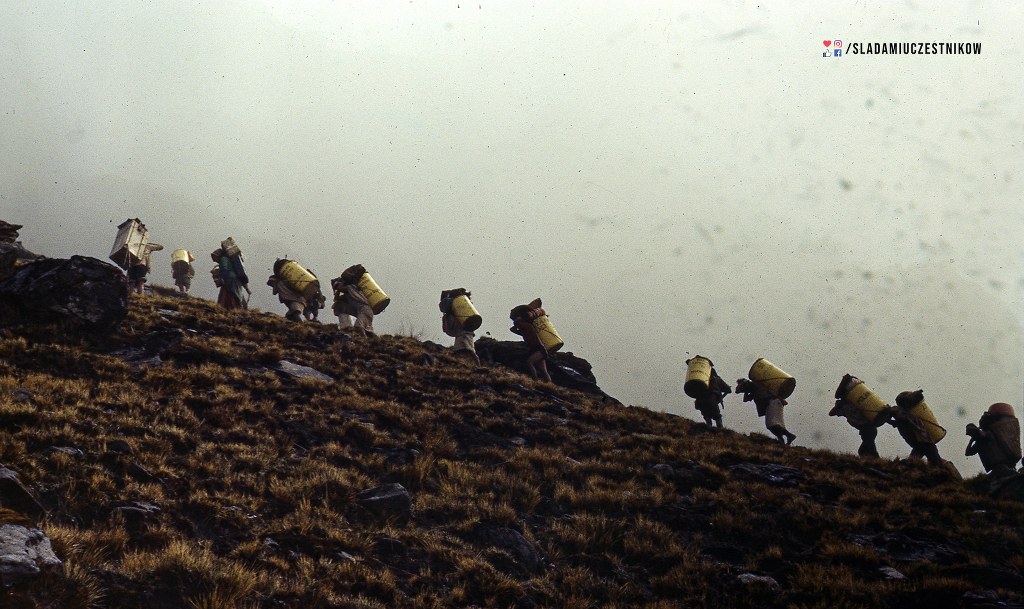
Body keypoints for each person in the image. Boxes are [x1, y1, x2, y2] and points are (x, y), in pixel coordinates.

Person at [830, 374, 888, 457]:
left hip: (867, 430)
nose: (838, 415)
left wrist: (840, 405)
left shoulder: (847, 408)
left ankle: (877, 460)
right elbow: (832, 413)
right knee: (864, 449)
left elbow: (831, 413)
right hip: (870, 429)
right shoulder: (851, 406)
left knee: (868, 448)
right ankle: (874, 460)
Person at [886, 390, 945, 467]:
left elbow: (898, 418)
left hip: (922, 443)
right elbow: (899, 420)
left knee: (917, 460)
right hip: (924, 442)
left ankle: (906, 467)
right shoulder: (907, 416)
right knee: (935, 462)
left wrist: (887, 416)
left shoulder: (906, 416)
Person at [966, 402, 1021, 478]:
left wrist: (975, 435)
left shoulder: (987, 434)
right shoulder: (979, 442)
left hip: (1001, 466)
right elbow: (968, 453)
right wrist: (971, 441)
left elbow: (981, 434)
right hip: (995, 468)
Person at [736, 377, 796, 445]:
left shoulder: (754, 384)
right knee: (772, 425)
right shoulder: (754, 389)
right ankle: (782, 440)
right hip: (774, 403)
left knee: (771, 424)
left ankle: (789, 436)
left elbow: (740, 389)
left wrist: (743, 386)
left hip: (773, 402)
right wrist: (746, 391)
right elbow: (745, 399)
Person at [509, 304, 551, 382]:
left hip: (539, 349)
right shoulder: (525, 328)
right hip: (537, 349)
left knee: (530, 363)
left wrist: (519, 320)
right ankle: (549, 384)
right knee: (543, 370)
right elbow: (513, 329)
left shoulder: (526, 327)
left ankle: (536, 380)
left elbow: (513, 327)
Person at [331, 265, 375, 336]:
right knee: (339, 306)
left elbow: (340, 288)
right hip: (363, 311)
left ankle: (364, 340)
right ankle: (366, 338)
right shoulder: (349, 294)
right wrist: (337, 289)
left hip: (365, 310)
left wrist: (338, 284)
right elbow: (337, 300)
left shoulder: (351, 287)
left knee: (358, 327)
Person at [440, 289, 481, 364]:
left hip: (461, 338)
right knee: (465, 354)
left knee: (463, 354)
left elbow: (446, 329)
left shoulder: (453, 314)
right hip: (464, 339)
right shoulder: (463, 314)